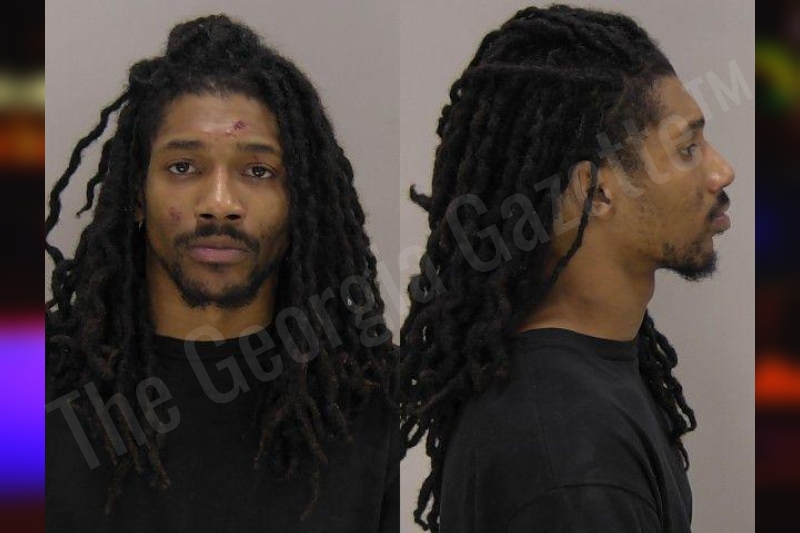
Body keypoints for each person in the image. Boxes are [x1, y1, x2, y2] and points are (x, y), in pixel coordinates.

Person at [45, 15, 398, 533]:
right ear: (137, 195)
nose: (219, 204)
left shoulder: (371, 399)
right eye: (183, 167)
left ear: (299, 201)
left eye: (258, 171)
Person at [399, 5, 734, 532]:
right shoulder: (572, 466)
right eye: (687, 149)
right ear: (595, 192)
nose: (722, 170)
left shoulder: (587, 377)